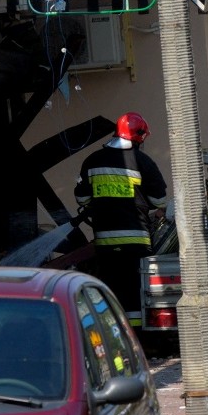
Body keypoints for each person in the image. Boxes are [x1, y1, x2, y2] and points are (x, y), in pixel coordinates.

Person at [75, 112, 168, 328]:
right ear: (139, 137)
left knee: (110, 288)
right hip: (136, 242)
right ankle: (137, 338)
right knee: (134, 291)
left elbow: (82, 198)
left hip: (105, 242)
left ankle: (113, 332)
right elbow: (160, 199)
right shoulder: (143, 162)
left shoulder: (93, 160)